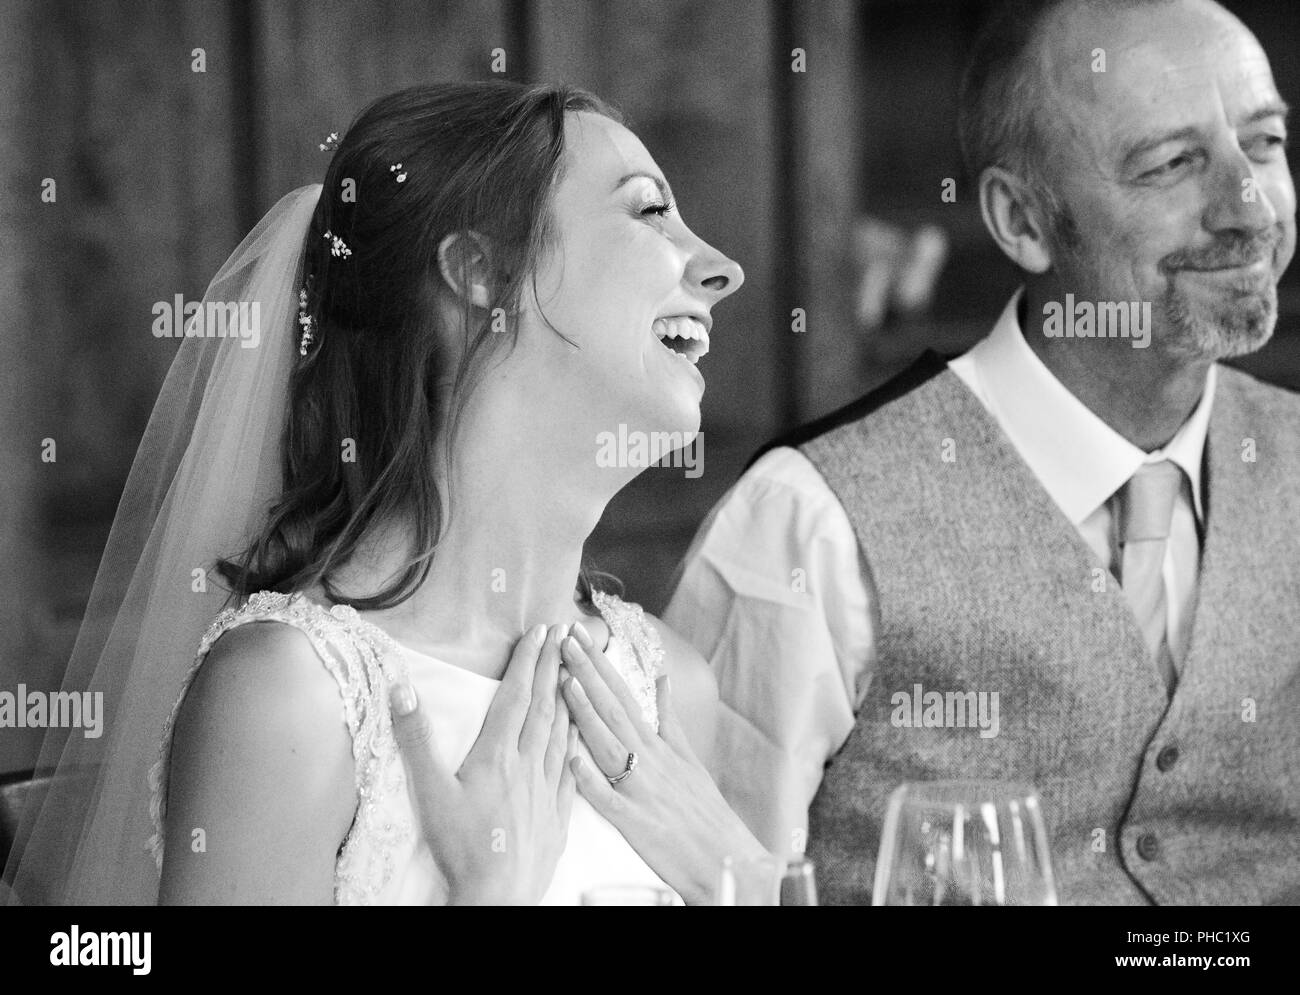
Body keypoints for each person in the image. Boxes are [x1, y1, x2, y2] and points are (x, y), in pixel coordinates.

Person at [5, 81, 773, 906]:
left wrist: (755, 885)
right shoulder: (290, 701)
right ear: (481, 270)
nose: (722, 268)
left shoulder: (667, 689)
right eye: (651, 211)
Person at [665, 0, 1300, 905]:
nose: (1248, 207)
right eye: (1172, 164)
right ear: (1021, 221)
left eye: (1266, 143)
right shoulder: (807, 523)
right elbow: (707, 883)